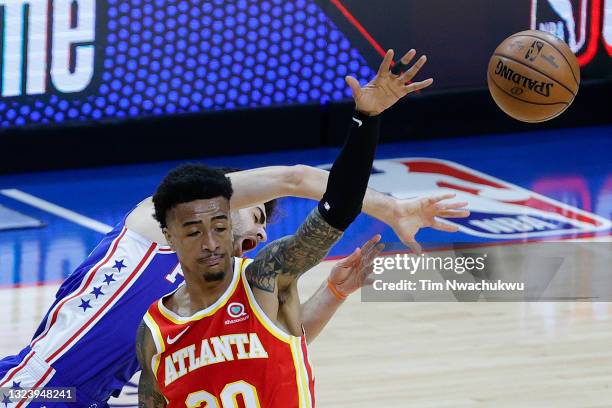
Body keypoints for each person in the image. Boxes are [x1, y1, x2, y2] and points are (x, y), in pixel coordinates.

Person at [0, 50, 468, 407]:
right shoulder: (154, 226)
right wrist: (390, 205)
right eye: (256, 214)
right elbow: (297, 178)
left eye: (264, 224)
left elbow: (275, 341)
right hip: (28, 389)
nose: (260, 232)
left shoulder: (210, 296)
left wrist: (333, 294)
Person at [137, 49, 442, 407]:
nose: (210, 242)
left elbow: (339, 207)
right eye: (195, 231)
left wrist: (366, 120)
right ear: (169, 237)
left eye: (219, 226)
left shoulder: (263, 276)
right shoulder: (154, 329)